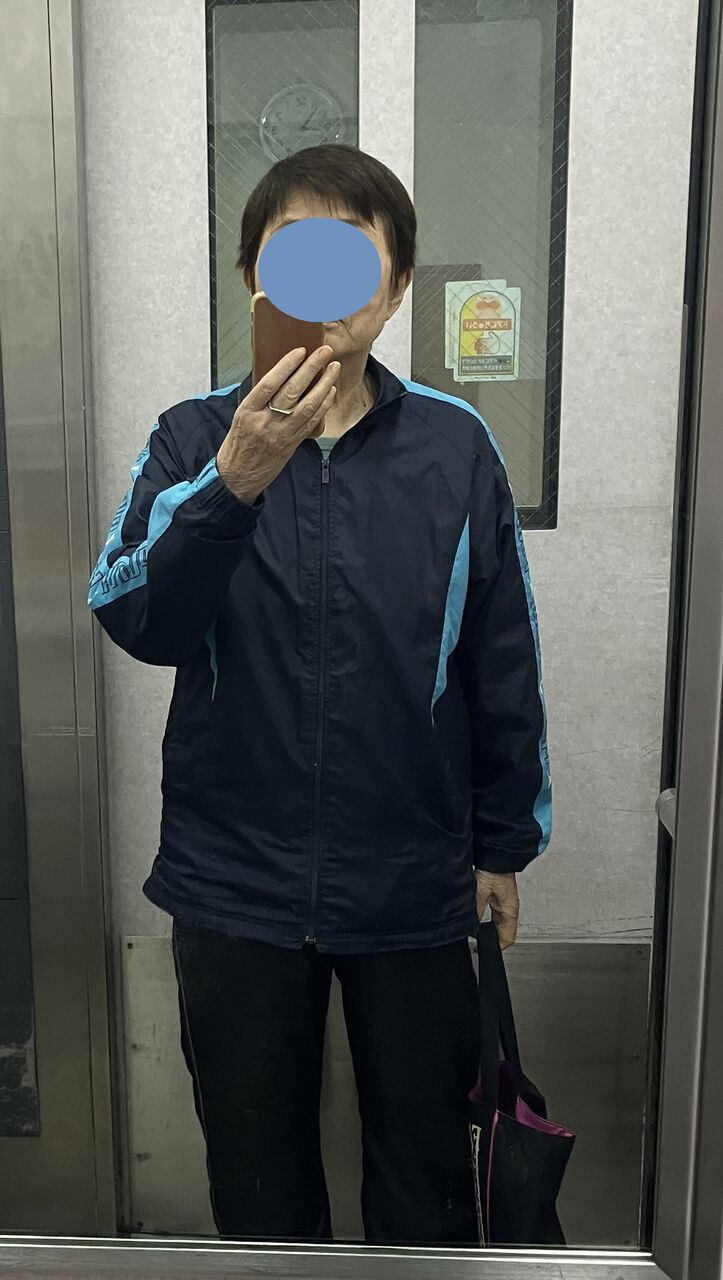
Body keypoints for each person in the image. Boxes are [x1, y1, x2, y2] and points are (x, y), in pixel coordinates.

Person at [89, 143, 551, 1246]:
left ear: (396, 287)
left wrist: (501, 844)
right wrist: (235, 481)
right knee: (256, 1182)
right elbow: (134, 616)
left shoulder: (456, 446)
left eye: (353, 256)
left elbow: (501, 658)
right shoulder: (192, 437)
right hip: (232, 880)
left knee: (428, 1179)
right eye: (293, 253)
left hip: (414, 881)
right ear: (254, 277)